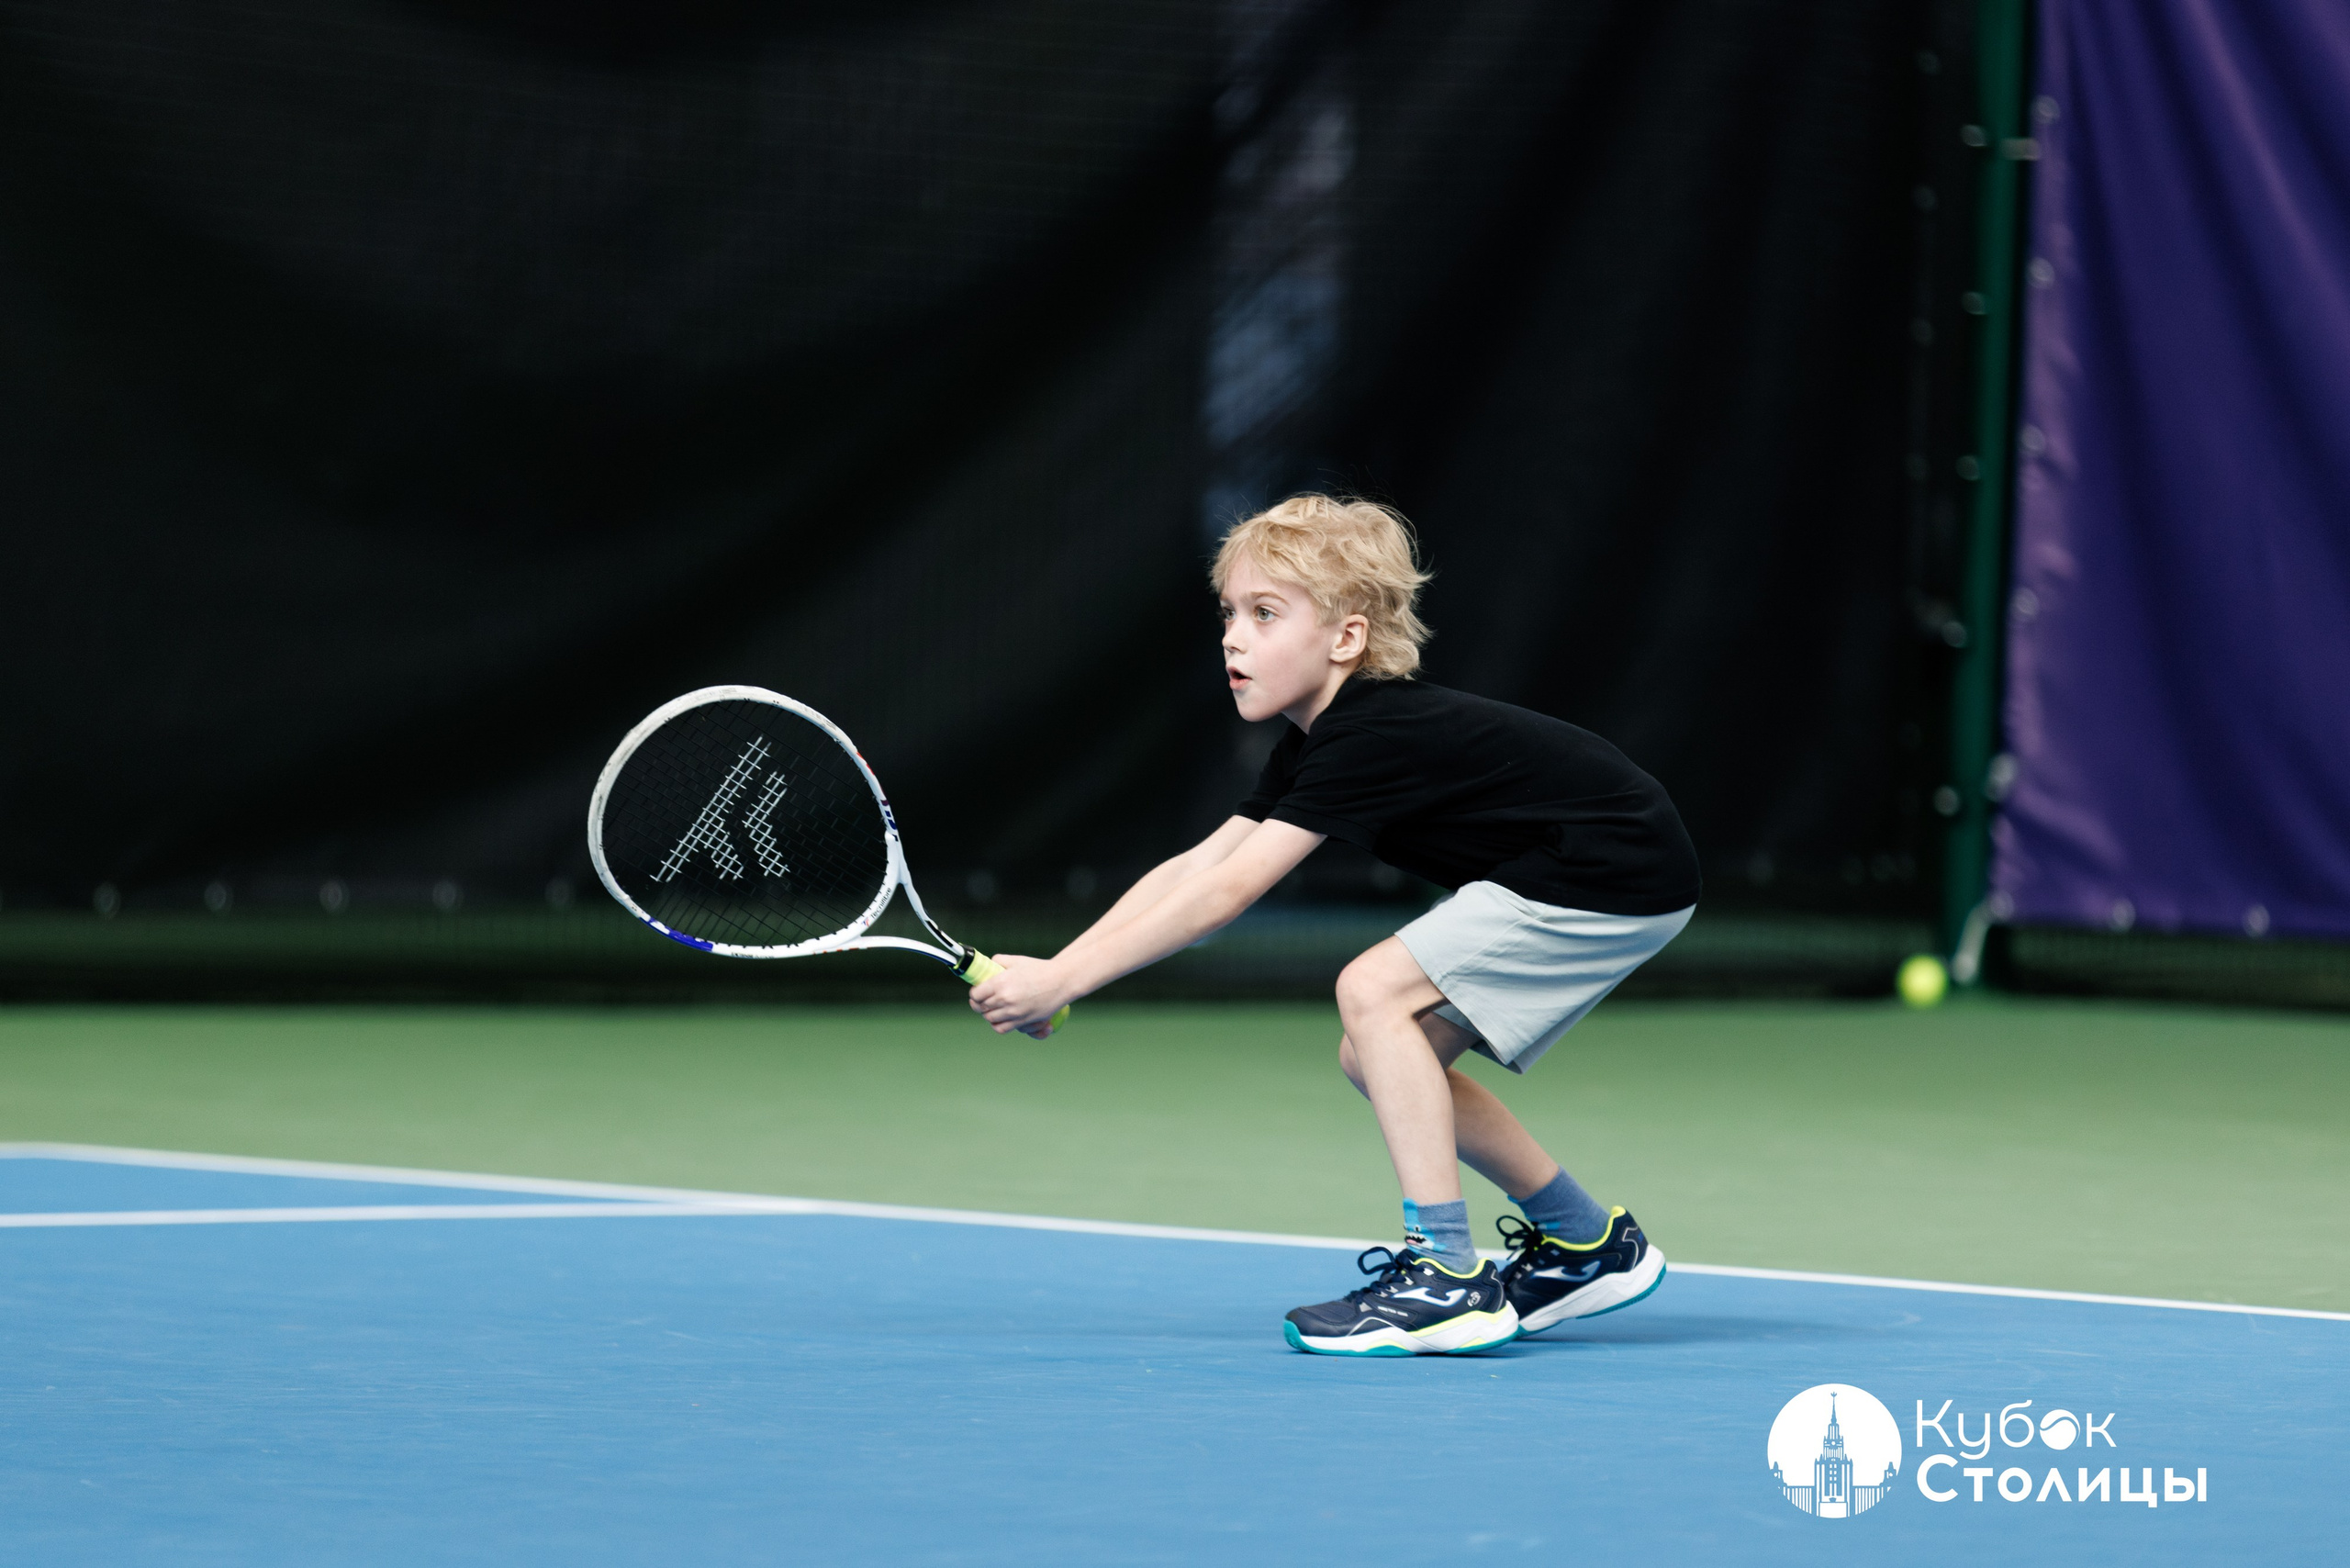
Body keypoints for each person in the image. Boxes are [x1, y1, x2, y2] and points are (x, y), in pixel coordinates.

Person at [970, 494, 1701, 1356]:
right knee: (1379, 1052)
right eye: (1229, 614)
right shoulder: (1318, 739)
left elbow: (1227, 896)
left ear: (1346, 639)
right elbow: (1196, 866)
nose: (1233, 638)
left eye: (1265, 614)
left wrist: (1065, 983)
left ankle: (1448, 1277)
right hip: (1602, 863)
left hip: (1606, 867)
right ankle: (1587, 1243)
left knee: (1372, 988)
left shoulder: (1371, 732)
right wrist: (1064, 966)